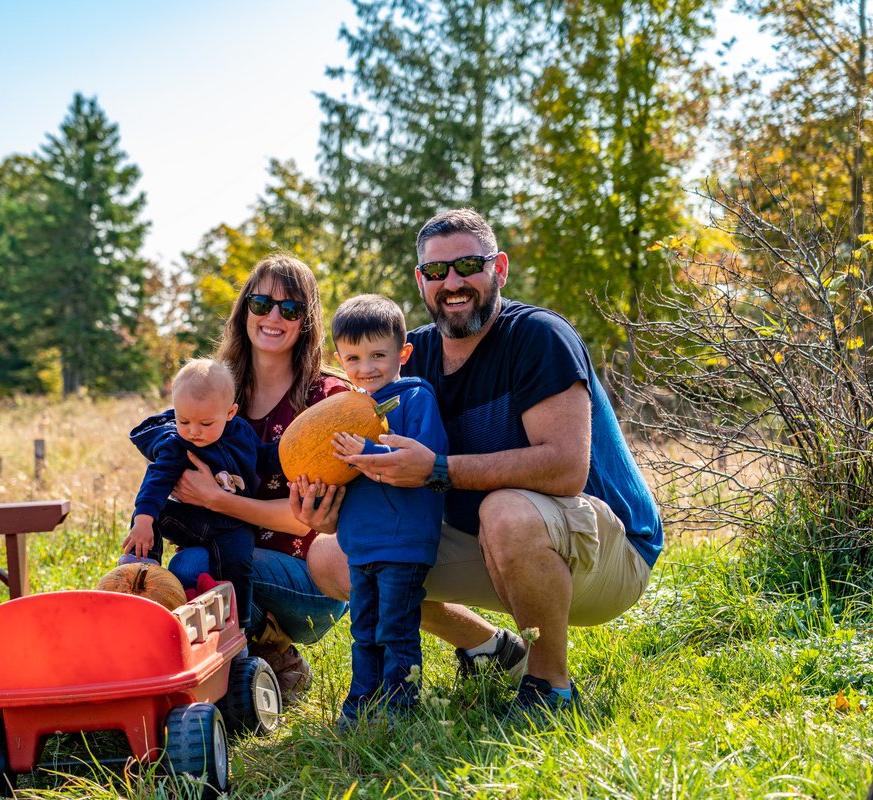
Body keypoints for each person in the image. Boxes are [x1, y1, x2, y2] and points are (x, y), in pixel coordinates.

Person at [292, 208, 663, 715]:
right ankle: (491, 648)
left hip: (608, 553)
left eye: (468, 264)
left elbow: (565, 469)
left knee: (504, 510)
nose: (453, 282)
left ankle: (549, 686)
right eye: (436, 272)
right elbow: (383, 472)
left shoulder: (538, 337)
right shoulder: (404, 358)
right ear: (421, 282)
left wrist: (438, 470)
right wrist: (328, 507)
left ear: (500, 269)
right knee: (332, 555)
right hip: (497, 546)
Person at [165, 254, 351, 702]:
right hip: (234, 552)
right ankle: (226, 675)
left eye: (289, 309)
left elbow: (307, 519)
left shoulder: (327, 398)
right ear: (244, 308)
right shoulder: (219, 388)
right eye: (261, 302)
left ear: (306, 322)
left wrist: (216, 498)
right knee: (185, 565)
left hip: (309, 576)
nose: (272, 316)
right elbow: (167, 433)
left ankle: (269, 662)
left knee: (200, 565)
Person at [320, 294, 447, 728]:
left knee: (395, 628)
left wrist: (366, 451)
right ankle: (361, 704)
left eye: (378, 354)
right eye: (353, 357)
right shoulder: (345, 412)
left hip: (403, 540)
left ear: (403, 353)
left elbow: (423, 460)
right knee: (364, 630)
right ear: (339, 358)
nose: (366, 367)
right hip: (361, 543)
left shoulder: (415, 397)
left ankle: (400, 707)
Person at [122, 358, 270, 631]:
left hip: (232, 525)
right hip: (192, 520)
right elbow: (158, 478)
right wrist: (143, 518)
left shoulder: (242, 434)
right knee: (153, 511)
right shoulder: (177, 443)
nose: (193, 431)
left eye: (205, 423)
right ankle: (141, 569)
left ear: (230, 412)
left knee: (237, 564)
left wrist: (288, 455)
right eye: (184, 420)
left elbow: (262, 457)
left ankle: (239, 627)